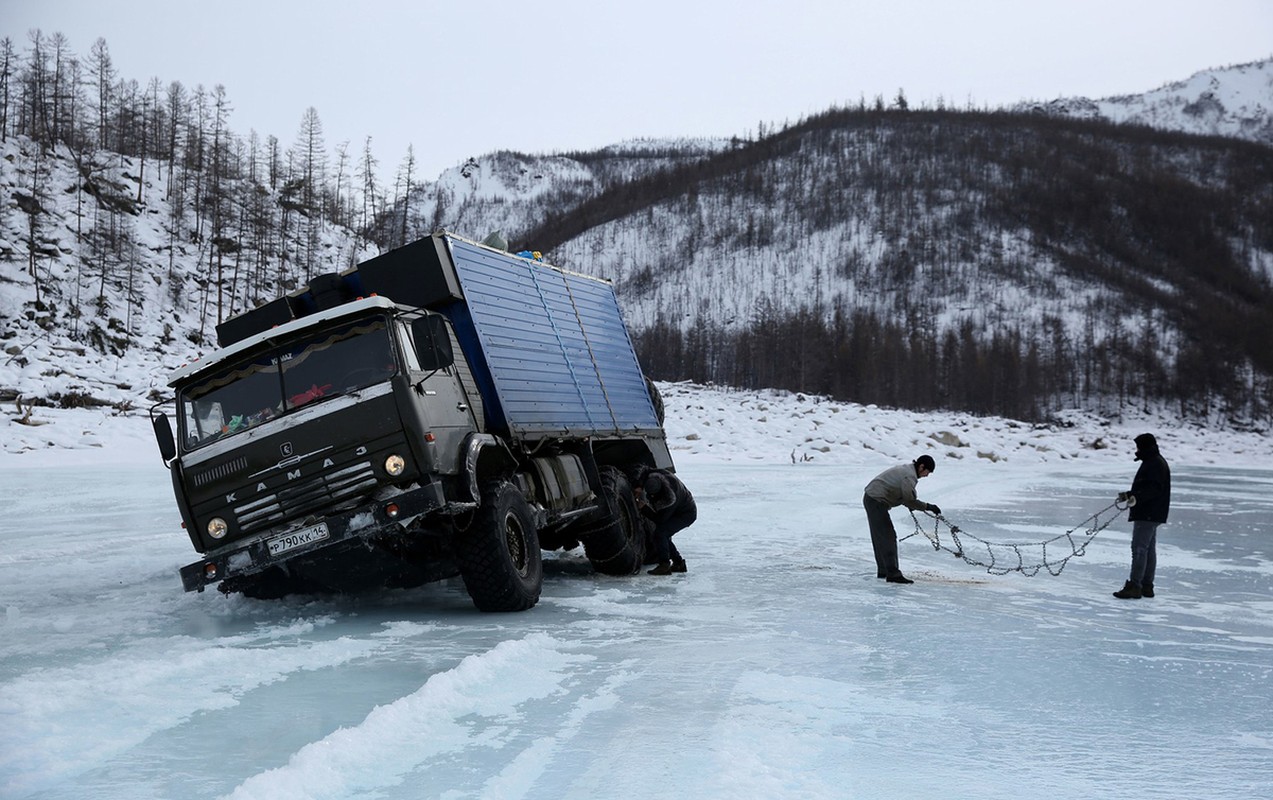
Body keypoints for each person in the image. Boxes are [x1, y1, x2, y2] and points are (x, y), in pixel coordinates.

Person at [863, 455, 941, 584]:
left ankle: (884, 571)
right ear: (922, 467)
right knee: (887, 536)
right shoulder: (909, 476)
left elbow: (904, 496)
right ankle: (892, 574)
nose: (927, 475)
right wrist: (928, 507)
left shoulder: (908, 471)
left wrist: (911, 503)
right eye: (928, 472)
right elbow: (910, 500)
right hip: (876, 500)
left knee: (880, 537)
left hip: (872, 498)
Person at [1113, 433, 1171, 599]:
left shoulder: (1154, 463)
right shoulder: (1153, 461)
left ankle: (1135, 585)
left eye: (1138, 447)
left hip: (1148, 513)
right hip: (1152, 513)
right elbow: (1147, 487)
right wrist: (1130, 494)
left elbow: (1153, 489)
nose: (1136, 450)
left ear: (1145, 447)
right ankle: (1146, 585)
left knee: (1139, 549)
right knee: (1148, 550)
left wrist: (1135, 497)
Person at [635, 468, 696, 575]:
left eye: (653, 496)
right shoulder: (657, 475)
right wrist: (640, 486)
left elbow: (660, 519)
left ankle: (664, 565)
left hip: (686, 514)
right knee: (663, 534)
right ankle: (678, 563)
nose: (651, 497)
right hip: (680, 506)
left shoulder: (669, 499)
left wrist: (644, 508)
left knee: (661, 533)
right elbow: (645, 471)